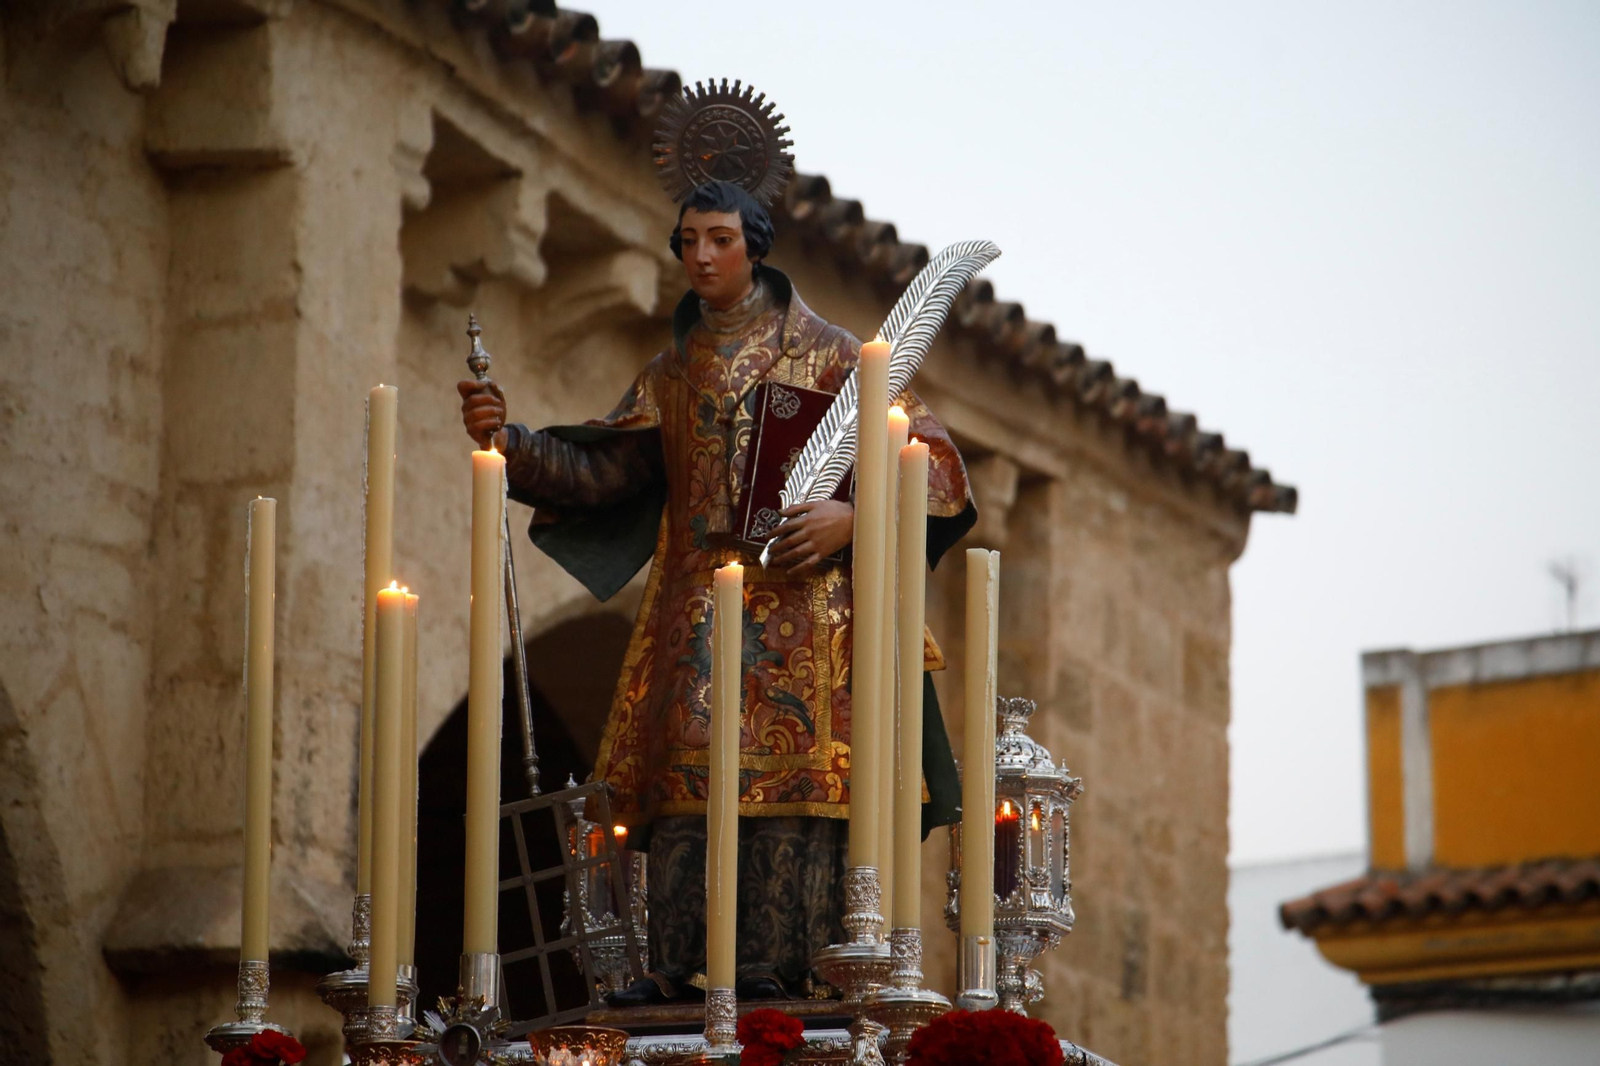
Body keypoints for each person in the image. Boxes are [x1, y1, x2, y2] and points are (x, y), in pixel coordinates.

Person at [459, 170, 975, 1004]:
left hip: (806, 622)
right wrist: (511, 444)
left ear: (756, 247)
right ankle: (678, 966)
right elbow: (604, 471)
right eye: (688, 241)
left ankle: (786, 965)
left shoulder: (836, 356)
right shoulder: (673, 371)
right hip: (696, 618)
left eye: (719, 240)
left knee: (789, 793)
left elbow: (938, 468)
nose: (701, 256)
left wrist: (852, 518)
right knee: (685, 795)